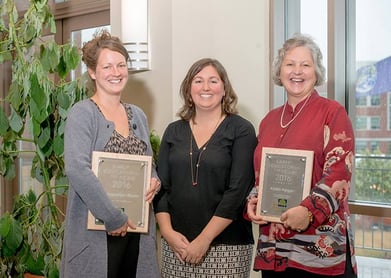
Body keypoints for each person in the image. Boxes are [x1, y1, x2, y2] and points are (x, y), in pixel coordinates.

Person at [246, 33, 358, 278]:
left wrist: (307, 211)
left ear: (316, 72)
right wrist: (254, 200)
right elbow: (260, 176)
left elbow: (338, 175)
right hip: (275, 249)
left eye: (305, 65)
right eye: (290, 64)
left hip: (319, 252)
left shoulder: (333, 113)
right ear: (280, 71)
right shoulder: (269, 120)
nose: (297, 71)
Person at [60, 30, 160, 278]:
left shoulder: (138, 115)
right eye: (107, 66)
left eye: (121, 65)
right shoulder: (83, 113)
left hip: (137, 232)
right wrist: (113, 217)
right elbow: (76, 168)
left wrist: (154, 181)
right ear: (93, 72)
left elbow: (147, 163)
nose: (116, 72)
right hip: (97, 234)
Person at [153, 58, 257, 277]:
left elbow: (237, 192)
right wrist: (168, 233)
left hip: (227, 246)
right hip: (176, 246)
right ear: (189, 89)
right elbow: (161, 187)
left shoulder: (241, 130)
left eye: (213, 81)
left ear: (224, 88)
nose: (206, 87)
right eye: (198, 81)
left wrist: (204, 239)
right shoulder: (173, 131)